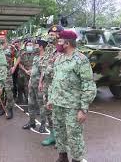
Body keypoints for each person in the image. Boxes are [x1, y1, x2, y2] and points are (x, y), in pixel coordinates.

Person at [47, 30, 97, 162]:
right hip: (58, 104)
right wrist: (51, 98)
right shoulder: (59, 58)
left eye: (59, 41)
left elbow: (88, 85)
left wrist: (83, 109)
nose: (57, 44)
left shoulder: (80, 59)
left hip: (72, 107)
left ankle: (76, 159)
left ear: (67, 43)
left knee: (74, 136)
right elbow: (55, 80)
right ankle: (62, 157)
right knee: (59, 133)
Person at [39, 25, 64, 146]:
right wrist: (41, 81)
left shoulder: (64, 48)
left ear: (60, 35)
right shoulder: (48, 48)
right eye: (50, 34)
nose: (51, 36)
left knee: (59, 111)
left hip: (59, 85)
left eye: (54, 34)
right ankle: (53, 135)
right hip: (47, 84)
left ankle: (61, 138)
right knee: (48, 110)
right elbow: (45, 65)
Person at [22, 38, 47, 132]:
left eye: (36, 45)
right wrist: (29, 82)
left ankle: (43, 125)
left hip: (40, 86)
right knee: (31, 104)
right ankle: (31, 122)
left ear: (41, 47)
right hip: (32, 84)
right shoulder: (36, 57)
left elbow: (43, 72)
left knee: (41, 105)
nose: (33, 47)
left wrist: (40, 83)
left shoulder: (45, 57)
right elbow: (34, 71)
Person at [0, 31, 16, 119]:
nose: (1, 38)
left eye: (3, 36)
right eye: (0, 36)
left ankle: (10, 110)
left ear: (6, 38)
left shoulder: (11, 47)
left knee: (9, 93)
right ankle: (1, 108)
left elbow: (19, 56)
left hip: (7, 74)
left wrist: (14, 67)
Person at [15, 38, 37, 106]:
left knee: (30, 88)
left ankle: (32, 104)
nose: (29, 46)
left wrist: (32, 70)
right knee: (21, 87)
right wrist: (25, 70)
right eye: (28, 45)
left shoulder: (36, 52)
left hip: (33, 73)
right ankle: (23, 100)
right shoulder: (22, 52)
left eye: (31, 45)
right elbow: (19, 63)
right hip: (23, 73)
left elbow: (37, 62)